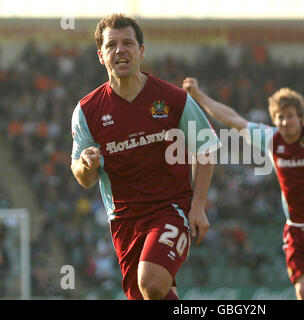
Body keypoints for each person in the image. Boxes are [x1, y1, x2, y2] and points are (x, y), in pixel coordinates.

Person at [182, 49, 304, 300]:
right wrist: (198, 95)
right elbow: (232, 119)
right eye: (279, 118)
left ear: (300, 117)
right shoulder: (270, 139)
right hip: (296, 230)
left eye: (289, 117)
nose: (285, 122)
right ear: (274, 120)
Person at [70, 13, 220, 300]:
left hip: (170, 209)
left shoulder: (172, 98)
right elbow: (84, 177)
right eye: (112, 45)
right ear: (101, 55)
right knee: (151, 294)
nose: (120, 50)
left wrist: (198, 206)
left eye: (128, 43)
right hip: (123, 221)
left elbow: (206, 147)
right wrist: (86, 164)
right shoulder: (87, 111)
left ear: (141, 51)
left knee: (151, 282)